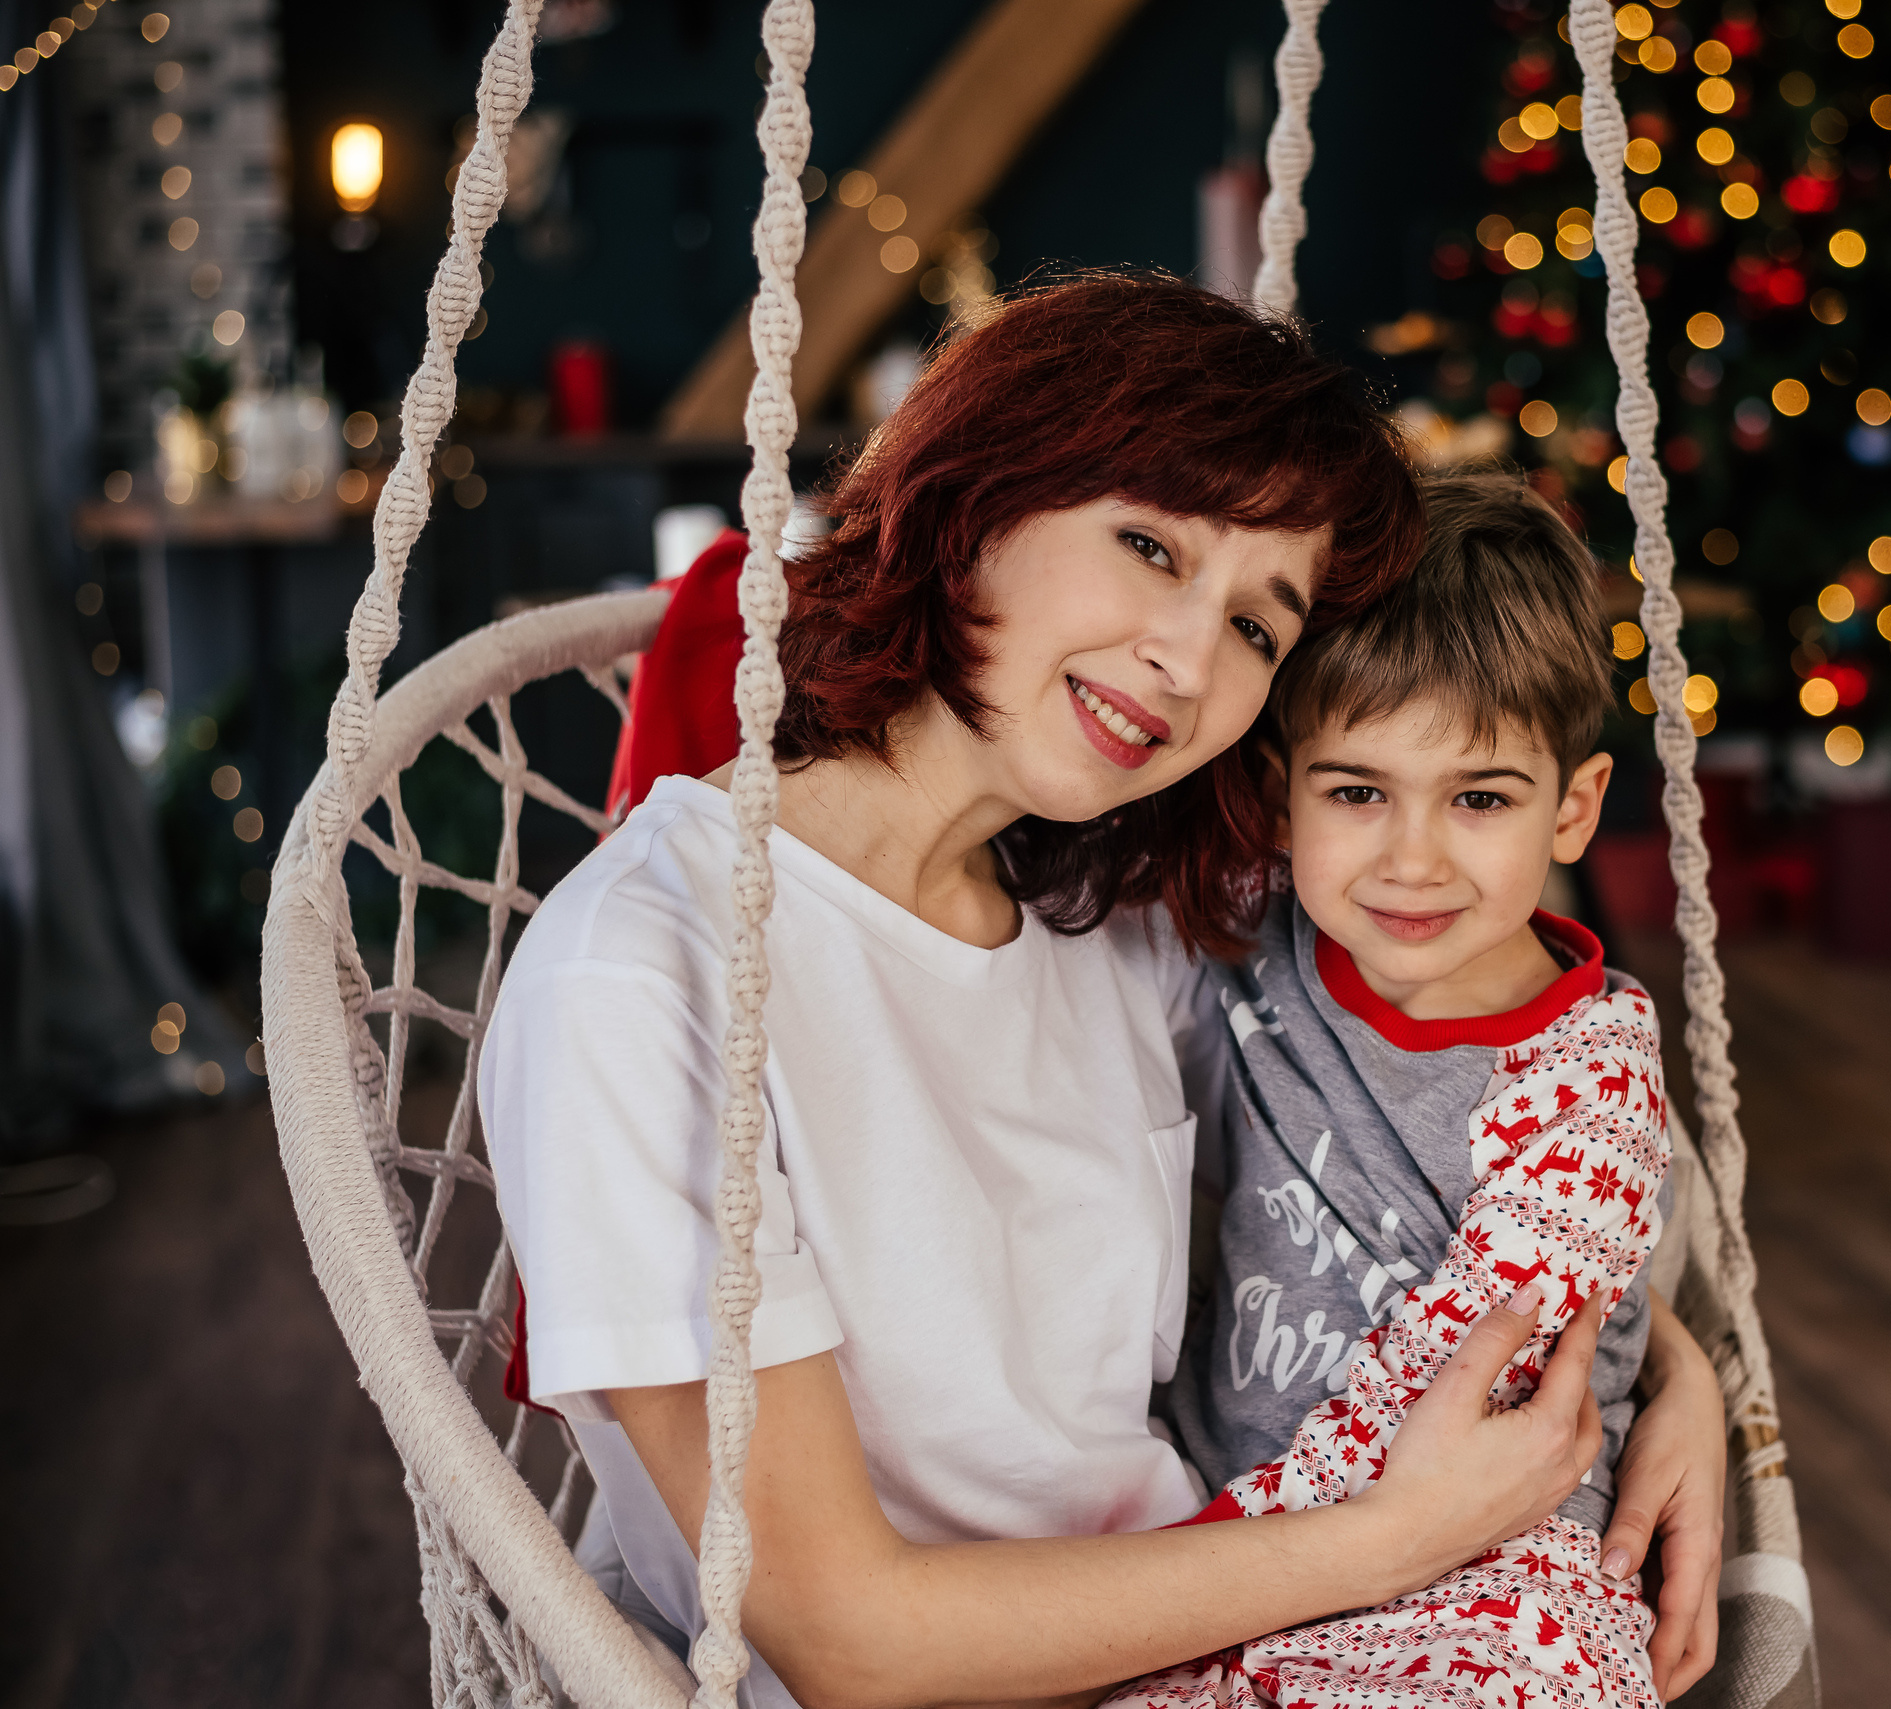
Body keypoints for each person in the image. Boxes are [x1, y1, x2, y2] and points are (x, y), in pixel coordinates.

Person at [485, 275, 1727, 1709]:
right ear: (980, 501)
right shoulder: (645, 977)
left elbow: (1410, 1163)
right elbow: (850, 1640)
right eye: (1149, 546)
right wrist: (1391, 1537)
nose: (1192, 659)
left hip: (1254, 1634)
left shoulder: (1123, 918)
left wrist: (1649, 1375)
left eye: (1261, 627)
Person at [1125, 471, 1688, 1709]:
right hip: (1235, 1541)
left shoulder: (1587, 1077)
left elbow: (1454, 1371)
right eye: (1357, 791)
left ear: (1574, 807)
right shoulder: (1254, 936)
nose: (1412, 858)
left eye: (1480, 797)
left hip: (1493, 1550)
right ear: (1282, 797)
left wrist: (1177, 1588)